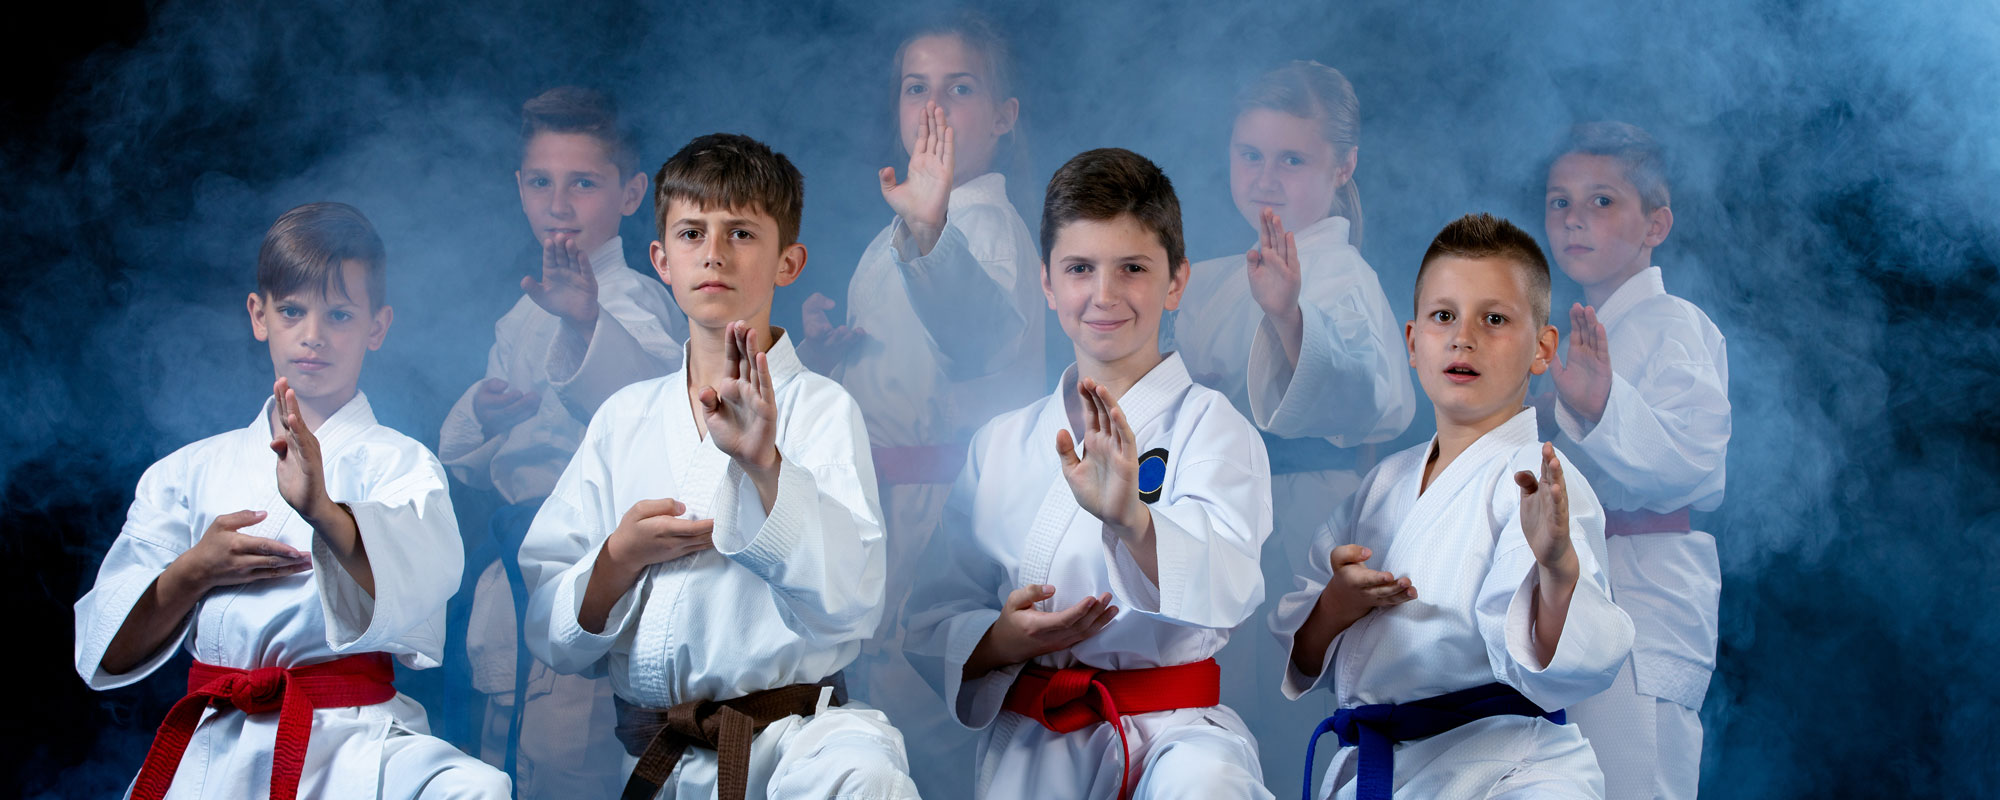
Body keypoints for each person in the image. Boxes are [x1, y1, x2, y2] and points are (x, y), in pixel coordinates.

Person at [517, 133, 919, 800]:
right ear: (661, 260)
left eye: (741, 233)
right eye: (691, 233)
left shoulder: (822, 409)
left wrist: (766, 467)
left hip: (796, 745)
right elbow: (550, 630)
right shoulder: (623, 418)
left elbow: (852, 605)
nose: (713, 253)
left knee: (867, 778)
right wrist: (618, 558)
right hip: (662, 756)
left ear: (788, 262)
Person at [73, 202, 510, 799]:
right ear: (260, 315)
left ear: (377, 327)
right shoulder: (185, 472)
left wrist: (324, 512)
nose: (313, 335)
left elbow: (422, 590)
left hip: (351, 738)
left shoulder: (402, 465)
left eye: (339, 314)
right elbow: (107, 650)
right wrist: (195, 570)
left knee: (475, 788)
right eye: (292, 311)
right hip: (217, 742)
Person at [906, 148, 1276, 799]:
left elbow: (1231, 582)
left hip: (1176, 738)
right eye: (1080, 268)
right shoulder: (1000, 442)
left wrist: (1135, 522)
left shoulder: (1213, 428)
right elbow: (933, 615)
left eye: (1133, 268)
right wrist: (1001, 640)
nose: (1104, 295)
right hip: (1035, 744)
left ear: (1176, 281)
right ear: (1048, 284)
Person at [1272, 213, 1633, 799]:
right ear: (1413, 343)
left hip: (1509, 770)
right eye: (1444, 316)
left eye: (1494, 319)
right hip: (1383, 769)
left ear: (1543, 349)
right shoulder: (1382, 485)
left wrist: (1558, 567)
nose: (1464, 337)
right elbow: (1304, 655)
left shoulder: (1539, 486)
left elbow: (1564, 665)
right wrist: (1335, 605)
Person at [1169, 61, 1413, 786]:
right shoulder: (1210, 280)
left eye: (1292, 160)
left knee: (1292, 716)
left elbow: (1366, 390)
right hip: (1210, 511)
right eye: (1251, 155)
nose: (1266, 179)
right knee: (1211, 716)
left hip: (1308, 518)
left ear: (1343, 166)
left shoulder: (1343, 276)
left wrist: (1288, 319)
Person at [436, 86, 683, 797]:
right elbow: (465, 463)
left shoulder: (635, 298)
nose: (559, 203)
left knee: (573, 765)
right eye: (541, 182)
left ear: (631, 194)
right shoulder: (522, 313)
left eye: (583, 183)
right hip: (516, 578)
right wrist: (485, 416)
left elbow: (655, 421)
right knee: (502, 762)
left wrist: (584, 325)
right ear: (519, 188)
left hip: (594, 572)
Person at [1541, 121, 1730, 800]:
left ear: (1656, 224)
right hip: (1574, 585)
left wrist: (1600, 407)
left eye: (1602, 201)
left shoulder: (1674, 324)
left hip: (1643, 590)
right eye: (1560, 201)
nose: (1574, 219)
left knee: (1635, 780)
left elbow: (1692, 457)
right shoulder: (1581, 334)